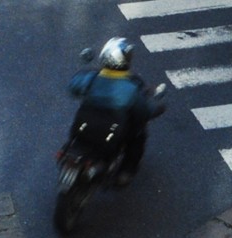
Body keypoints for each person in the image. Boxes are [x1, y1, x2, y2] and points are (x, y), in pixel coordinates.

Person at [67, 37, 165, 185]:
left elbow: (73, 88)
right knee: (138, 136)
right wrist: (155, 110)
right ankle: (126, 171)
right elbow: (143, 113)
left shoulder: (91, 78)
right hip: (110, 135)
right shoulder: (131, 89)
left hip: (82, 127)